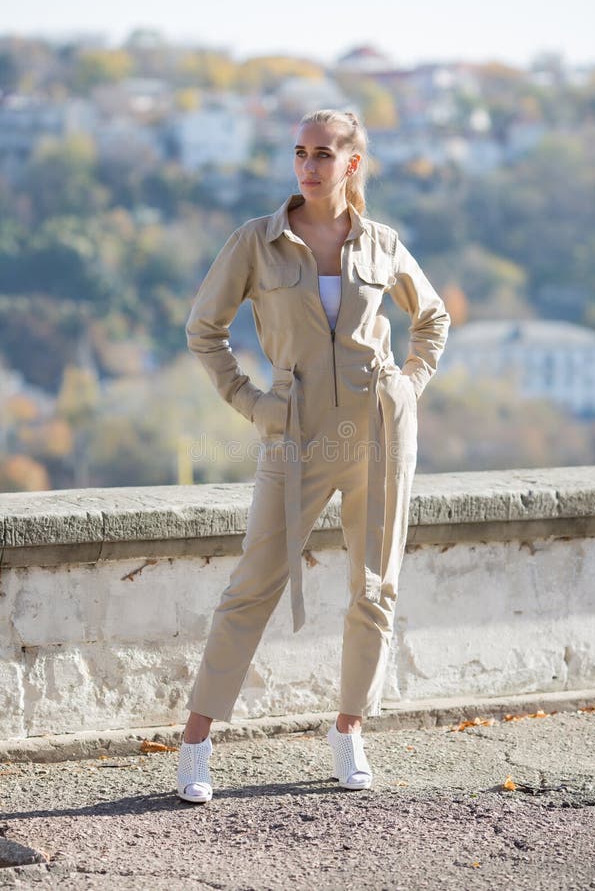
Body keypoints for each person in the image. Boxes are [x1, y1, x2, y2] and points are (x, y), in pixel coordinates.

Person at [178, 109, 451, 803]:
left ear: (352, 163)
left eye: (323, 153)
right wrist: (256, 405)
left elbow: (433, 319)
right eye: (300, 151)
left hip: (379, 434)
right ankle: (196, 743)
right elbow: (204, 330)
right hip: (294, 434)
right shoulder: (257, 241)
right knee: (253, 585)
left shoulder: (382, 243)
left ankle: (349, 729)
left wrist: (407, 389)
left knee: (374, 587)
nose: (308, 165)